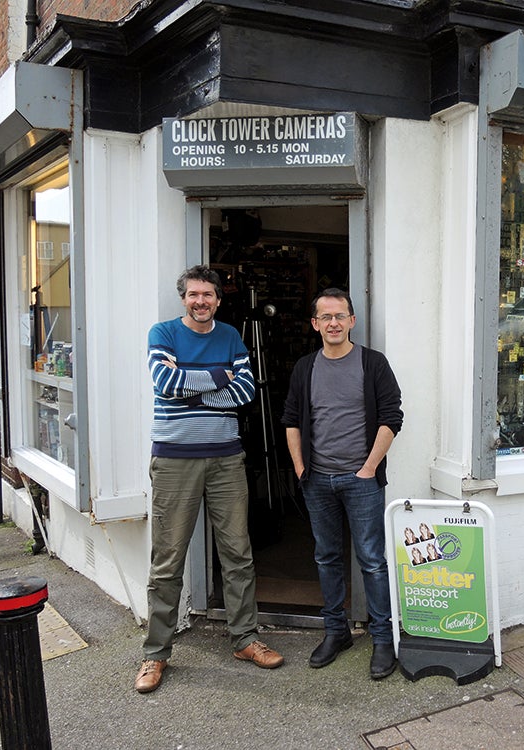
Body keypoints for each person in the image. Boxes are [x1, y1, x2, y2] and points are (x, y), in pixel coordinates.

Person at [134, 265, 284, 694]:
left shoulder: (231, 337)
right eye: (193, 294)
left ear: (218, 299)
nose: (201, 301)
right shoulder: (162, 333)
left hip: (225, 459)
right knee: (168, 560)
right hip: (175, 460)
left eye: (209, 295)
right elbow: (165, 383)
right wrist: (219, 377)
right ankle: (155, 654)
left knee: (237, 552)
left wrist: (192, 385)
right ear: (183, 298)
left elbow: (246, 392)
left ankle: (245, 638)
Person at [282, 288, 403, 680]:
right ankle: (337, 632)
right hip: (317, 479)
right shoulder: (305, 367)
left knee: (372, 560)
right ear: (315, 324)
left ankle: (383, 639)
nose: (333, 323)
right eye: (325, 317)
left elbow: (392, 417)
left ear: (352, 321)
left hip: (361, 480)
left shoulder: (373, 363)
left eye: (340, 316)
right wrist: (302, 468)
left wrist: (368, 468)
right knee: (327, 557)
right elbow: (292, 420)